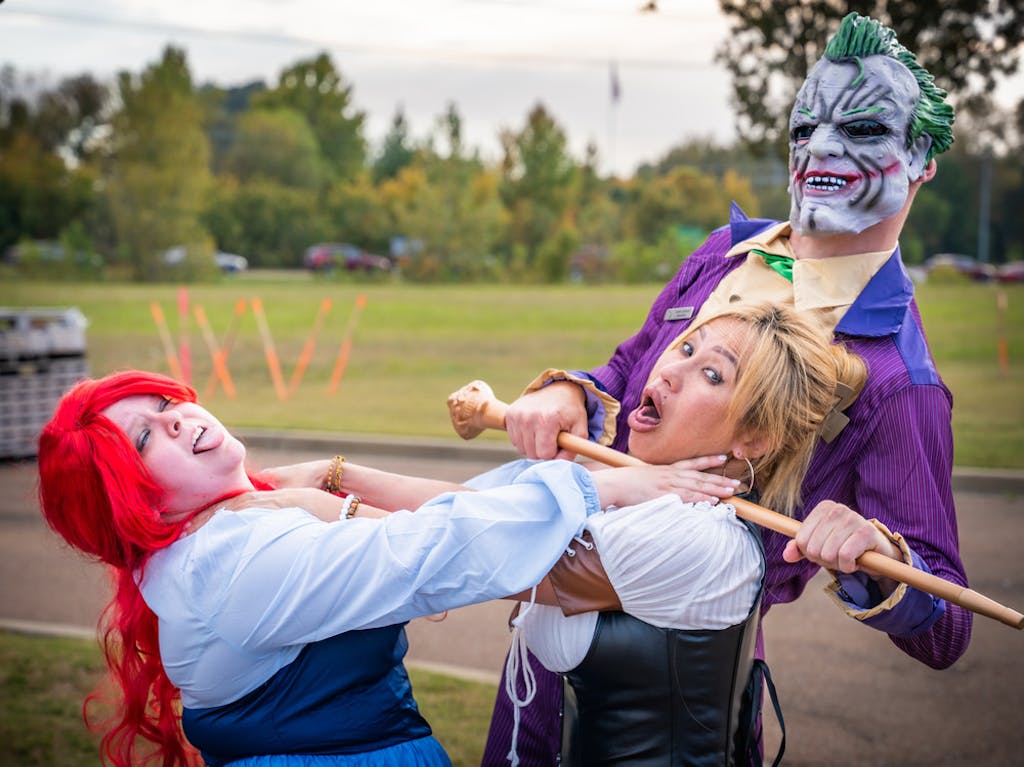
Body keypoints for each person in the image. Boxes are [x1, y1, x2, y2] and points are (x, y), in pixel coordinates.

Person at [482, 12, 970, 765]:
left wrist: (878, 553)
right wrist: (569, 391)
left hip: (680, 686)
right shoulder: (724, 252)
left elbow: (947, 626)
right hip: (548, 638)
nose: (822, 149)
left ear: (921, 158)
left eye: (865, 129)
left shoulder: (901, 384)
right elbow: (625, 374)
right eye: (806, 125)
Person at [266, 301, 868, 766]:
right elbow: (478, 509)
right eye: (685, 347)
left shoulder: (697, 538)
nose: (673, 371)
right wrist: (335, 475)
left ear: (754, 442)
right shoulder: (635, 491)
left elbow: (473, 546)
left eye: (712, 373)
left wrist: (318, 502)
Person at [37, 370, 712, 767]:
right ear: (133, 499)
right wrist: (608, 487)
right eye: (147, 439)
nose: (179, 419)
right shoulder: (233, 564)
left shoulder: (227, 530)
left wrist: (335, 477)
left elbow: (456, 514)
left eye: (164, 404)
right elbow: (439, 548)